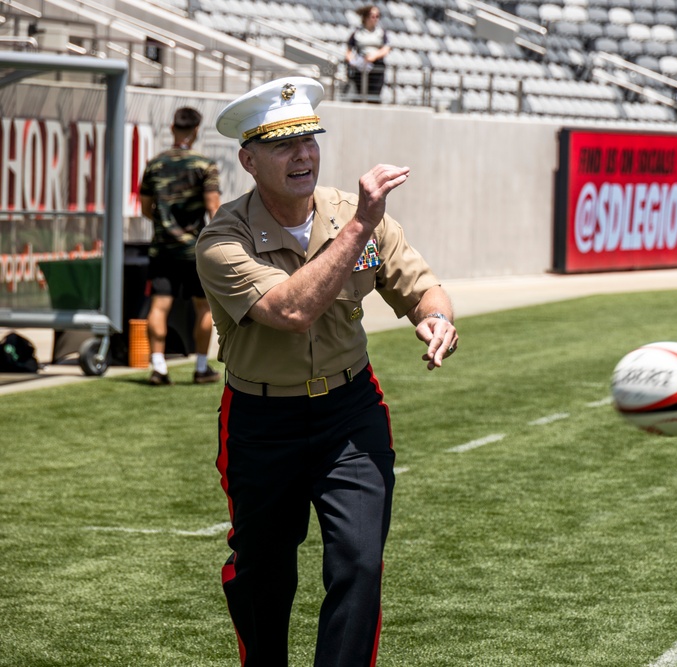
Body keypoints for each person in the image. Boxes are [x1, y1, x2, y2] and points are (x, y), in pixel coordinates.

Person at [196, 76, 458, 666]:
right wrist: (361, 225)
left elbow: (422, 286)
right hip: (262, 422)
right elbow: (292, 310)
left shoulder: (353, 214)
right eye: (283, 143)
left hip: (350, 413)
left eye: (310, 138)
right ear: (248, 159)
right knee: (264, 576)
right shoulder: (222, 240)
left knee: (360, 563)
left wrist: (435, 318)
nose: (303, 154)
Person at [139, 106, 221, 386]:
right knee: (204, 308)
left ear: (173, 128)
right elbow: (213, 208)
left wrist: (166, 226)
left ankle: (159, 368)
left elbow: (146, 208)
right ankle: (200, 367)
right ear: (196, 131)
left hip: (162, 249)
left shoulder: (154, 164)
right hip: (195, 250)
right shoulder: (204, 165)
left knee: (159, 306)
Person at [346, 5, 390, 103]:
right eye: (372, 16)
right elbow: (349, 50)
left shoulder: (381, 33)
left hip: (376, 68)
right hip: (360, 67)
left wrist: (375, 55)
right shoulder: (357, 33)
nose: (375, 19)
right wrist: (352, 60)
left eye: (377, 16)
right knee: (358, 95)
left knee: (373, 96)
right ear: (366, 17)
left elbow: (386, 48)